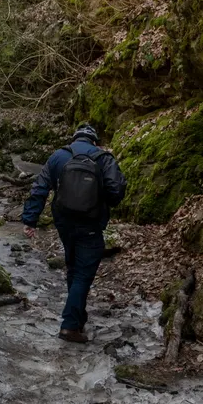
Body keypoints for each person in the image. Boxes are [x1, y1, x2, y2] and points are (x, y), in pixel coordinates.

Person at [21, 124, 127, 343]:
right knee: (83, 273)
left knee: (73, 266)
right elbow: (116, 192)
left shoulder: (58, 156)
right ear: (94, 141)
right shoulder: (103, 158)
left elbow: (39, 188)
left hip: (64, 222)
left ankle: (78, 317)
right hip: (90, 223)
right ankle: (70, 325)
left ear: (74, 139)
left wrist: (30, 220)